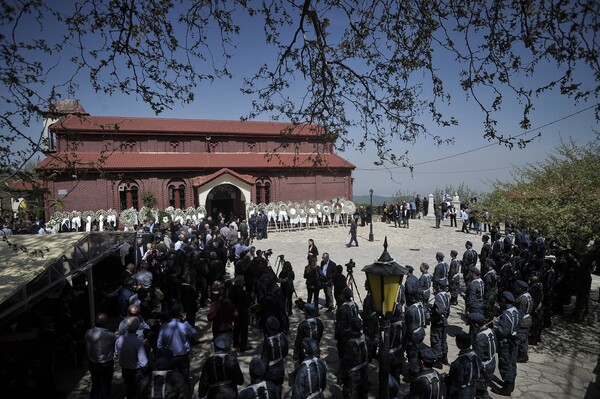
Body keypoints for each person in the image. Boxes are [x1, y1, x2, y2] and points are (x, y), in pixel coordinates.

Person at [157, 303, 197, 380]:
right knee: (184, 377)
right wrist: (185, 321)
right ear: (181, 313)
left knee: (172, 379)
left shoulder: (164, 327)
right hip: (183, 356)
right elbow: (193, 333)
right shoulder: (184, 325)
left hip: (169, 356)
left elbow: (159, 345)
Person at [197, 334, 244, 399]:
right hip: (231, 394)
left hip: (214, 394)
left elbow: (204, 381)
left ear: (215, 348)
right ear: (228, 348)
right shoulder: (232, 360)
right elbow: (240, 381)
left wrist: (201, 394)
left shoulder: (209, 362)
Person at [492, 292, 521, 396]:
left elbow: (502, 331)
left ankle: (506, 389)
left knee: (505, 364)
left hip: (506, 344)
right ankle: (510, 383)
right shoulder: (515, 311)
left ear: (505, 300)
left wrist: (494, 329)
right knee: (512, 364)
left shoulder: (506, 315)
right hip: (514, 341)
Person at [115, 317, 149, 399]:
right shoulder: (138, 342)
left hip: (125, 370)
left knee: (129, 389)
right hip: (136, 371)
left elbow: (116, 354)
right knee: (137, 391)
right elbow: (143, 362)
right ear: (137, 328)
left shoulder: (119, 340)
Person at [85, 313, 117, 399]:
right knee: (105, 386)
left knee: (95, 385)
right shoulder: (110, 335)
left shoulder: (88, 332)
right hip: (106, 364)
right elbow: (117, 343)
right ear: (106, 323)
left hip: (93, 364)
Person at [339, 318, 370, 399]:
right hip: (364, 370)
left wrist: (341, 378)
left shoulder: (349, 343)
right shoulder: (366, 338)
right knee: (363, 393)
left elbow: (345, 363)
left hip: (353, 375)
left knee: (351, 394)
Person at [447, 332, 482, 399]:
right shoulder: (475, 355)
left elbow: (456, 383)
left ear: (460, 344)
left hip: (462, 392)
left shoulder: (459, 363)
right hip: (472, 387)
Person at [470, 313, 496, 399]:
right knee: (484, 386)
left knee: (480, 390)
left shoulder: (480, 338)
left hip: (484, 366)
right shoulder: (490, 330)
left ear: (476, 324)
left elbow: (478, 357)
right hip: (491, 360)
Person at [405, 293, 429, 382]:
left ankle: (414, 373)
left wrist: (408, 339)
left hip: (414, 334)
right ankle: (419, 367)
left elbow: (409, 326)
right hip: (421, 331)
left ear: (412, 297)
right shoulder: (422, 306)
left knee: (412, 354)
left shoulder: (411, 310)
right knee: (418, 350)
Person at [261, 317, 289, 391]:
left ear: (268, 327)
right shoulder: (283, 337)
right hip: (280, 370)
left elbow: (264, 360)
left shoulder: (268, 342)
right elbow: (285, 353)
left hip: (270, 373)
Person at [229, 275, 253, 352]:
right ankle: (243, 346)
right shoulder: (241, 292)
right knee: (243, 329)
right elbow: (248, 300)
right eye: (242, 281)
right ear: (239, 282)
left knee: (236, 327)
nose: (244, 282)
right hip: (242, 312)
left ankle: (235, 343)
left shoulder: (231, 289)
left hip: (234, 310)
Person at [430, 279, 450, 368]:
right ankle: (444, 358)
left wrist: (433, 315)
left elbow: (439, 311)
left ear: (438, 286)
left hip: (438, 322)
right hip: (444, 321)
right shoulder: (446, 295)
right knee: (443, 340)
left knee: (436, 340)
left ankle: (438, 361)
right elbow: (447, 310)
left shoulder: (438, 296)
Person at [514, 280, 533, 363]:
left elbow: (520, 311)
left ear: (520, 288)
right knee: (524, 338)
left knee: (520, 338)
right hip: (528, 318)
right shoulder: (528, 296)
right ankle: (523, 354)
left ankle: (521, 355)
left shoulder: (523, 299)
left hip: (523, 320)